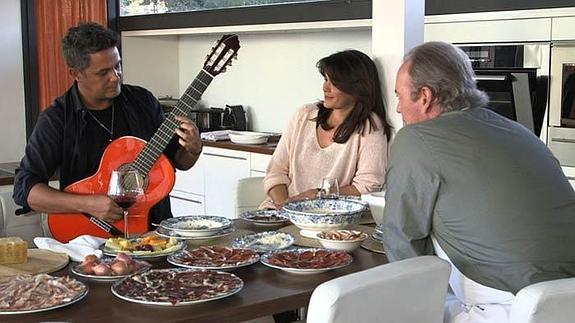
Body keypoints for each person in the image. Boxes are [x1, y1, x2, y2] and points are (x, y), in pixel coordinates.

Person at [381, 41, 575, 323]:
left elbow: (402, 243)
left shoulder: (416, 138)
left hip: (511, 307)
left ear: (425, 96)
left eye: (399, 97)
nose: (398, 109)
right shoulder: (517, 130)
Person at [13, 22, 202, 231]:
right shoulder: (56, 119)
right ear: (75, 73)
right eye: (103, 72)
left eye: (117, 65)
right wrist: (87, 204)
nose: (115, 76)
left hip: (156, 231)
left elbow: (176, 162)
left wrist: (193, 150)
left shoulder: (143, 101)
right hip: (89, 238)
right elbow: (25, 189)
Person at [261, 49, 391, 209]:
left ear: (357, 87)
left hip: (326, 219)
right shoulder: (304, 115)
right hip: (278, 212)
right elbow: (275, 172)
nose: (325, 87)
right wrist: (284, 205)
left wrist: (318, 195)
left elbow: (368, 186)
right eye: (325, 79)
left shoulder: (370, 127)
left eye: (334, 82)